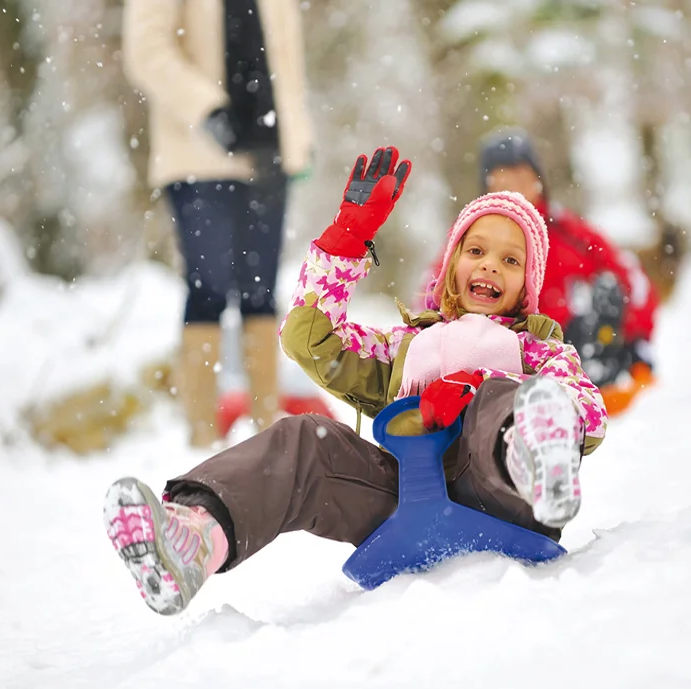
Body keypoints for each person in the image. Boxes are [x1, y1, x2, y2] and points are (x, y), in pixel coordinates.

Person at [102, 147, 608, 616]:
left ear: (526, 285)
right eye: (476, 250)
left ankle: (531, 456)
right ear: (452, 264)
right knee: (304, 439)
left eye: (510, 260)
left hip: (507, 499)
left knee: (507, 399)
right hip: (407, 499)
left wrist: (481, 384)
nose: (490, 265)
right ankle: (195, 542)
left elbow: (588, 409)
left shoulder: (537, 349)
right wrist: (347, 239)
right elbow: (311, 337)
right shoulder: (407, 349)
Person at [121, 0, 313, 447]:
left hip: (270, 151)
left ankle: (268, 436)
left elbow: (284, 55)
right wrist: (207, 110)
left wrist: (299, 135)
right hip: (198, 155)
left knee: (261, 292)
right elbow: (147, 49)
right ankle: (201, 439)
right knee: (208, 288)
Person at [420, 128, 660, 416]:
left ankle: (592, 383)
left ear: (538, 181)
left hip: (569, 351)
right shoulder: (471, 238)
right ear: (489, 186)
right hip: (500, 357)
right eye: (503, 179)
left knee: (607, 292)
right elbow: (432, 293)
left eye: (522, 177)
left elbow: (630, 279)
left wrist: (637, 338)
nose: (515, 188)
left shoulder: (568, 232)